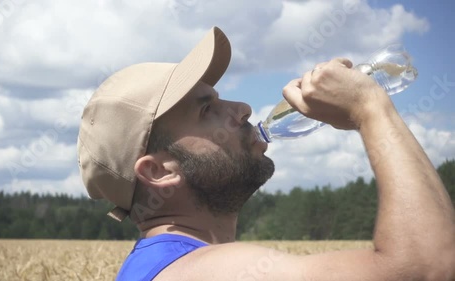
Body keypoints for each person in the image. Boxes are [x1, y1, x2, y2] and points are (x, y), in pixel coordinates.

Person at [77, 27, 455, 281]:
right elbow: (430, 267)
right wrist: (371, 110)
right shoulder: (200, 271)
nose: (242, 108)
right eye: (207, 110)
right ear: (158, 172)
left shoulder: (162, 266)